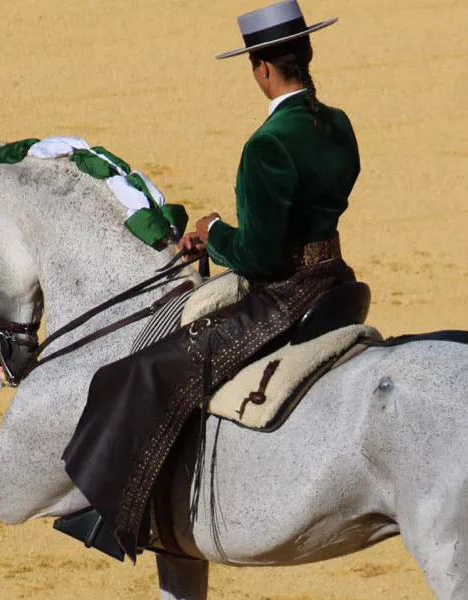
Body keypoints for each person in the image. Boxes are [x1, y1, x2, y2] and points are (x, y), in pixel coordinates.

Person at [60, 0, 360, 559]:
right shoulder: (336, 123)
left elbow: (259, 255)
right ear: (307, 54)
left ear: (262, 69)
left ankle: (116, 517)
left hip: (288, 292)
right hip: (334, 274)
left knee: (145, 371)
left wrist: (215, 229)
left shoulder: (268, 144)